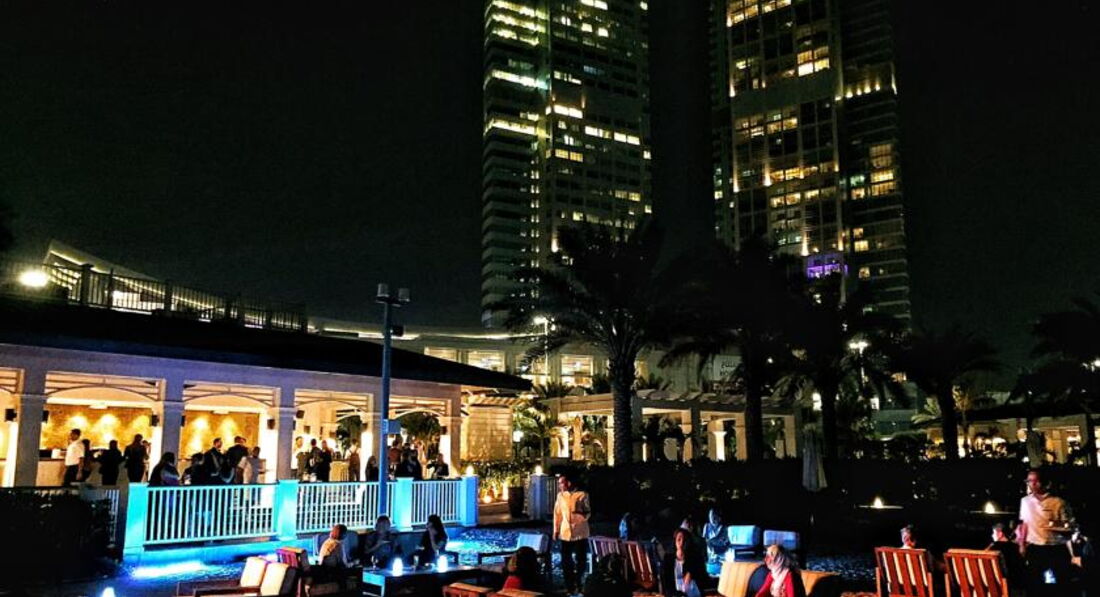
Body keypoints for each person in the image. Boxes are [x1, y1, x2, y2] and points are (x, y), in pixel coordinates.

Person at [1018, 467, 1075, 594]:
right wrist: (1022, 544)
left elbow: (1069, 525)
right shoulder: (1025, 501)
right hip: (1035, 547)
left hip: (1056, 546)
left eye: (1036, 481)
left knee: (1062, 584)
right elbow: (1024, 523)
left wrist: (1055, 526)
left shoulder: (1058, 502)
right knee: (1034, 583)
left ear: (1044, 482)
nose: (1032, 484)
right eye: (1029, 481)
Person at [553, 473, 591, 594]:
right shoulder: (560, 496)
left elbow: (588, 512)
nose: (560, 485)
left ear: (568, 483)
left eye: (561, 483)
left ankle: (579, 582)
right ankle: (569, 586)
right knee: (566, 560)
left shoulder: (582, 495)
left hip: (580, 532)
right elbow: (557, 513)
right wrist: (555, 530)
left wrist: (580, 514)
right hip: (565, 533)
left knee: (581, 559)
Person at [986, 523, 1026, 588]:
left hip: (1001, 583)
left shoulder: (994, 547)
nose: (992, 535)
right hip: (1017, 582)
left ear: (1000, 534)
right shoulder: (1016, 547)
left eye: (994, 533)